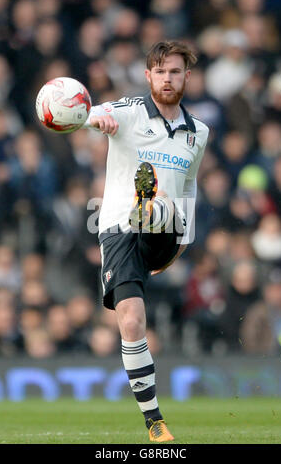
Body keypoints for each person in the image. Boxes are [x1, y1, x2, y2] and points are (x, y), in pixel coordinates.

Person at [84, 41, 209, 442]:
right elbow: (94, 114)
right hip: (119, 230)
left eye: (174, 72)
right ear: (147, 76)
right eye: (160, 72)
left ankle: (152, 205)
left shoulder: (198, 132)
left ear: (186, 77)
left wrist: (184, 239)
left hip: (167, 230)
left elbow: (190, 186)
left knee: (164, 205)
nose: (167, 79)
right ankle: (154, 422)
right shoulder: (127, 112)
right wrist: (94, 119)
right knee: (132, 322)